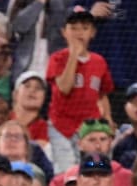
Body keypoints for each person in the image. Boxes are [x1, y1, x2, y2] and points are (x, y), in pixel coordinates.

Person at [46, 7, 114, 173]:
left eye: (84, 28)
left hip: (89, 127)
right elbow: (64, 87)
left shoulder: (99, 62)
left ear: (92, 33)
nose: (79, 33)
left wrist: (108, 118)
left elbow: (102, 93)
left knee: (95, 169)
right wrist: (73, 56)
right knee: (67, 171)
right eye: (73, 28)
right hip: (61, 126)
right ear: (64, 32)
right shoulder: (57, 58)